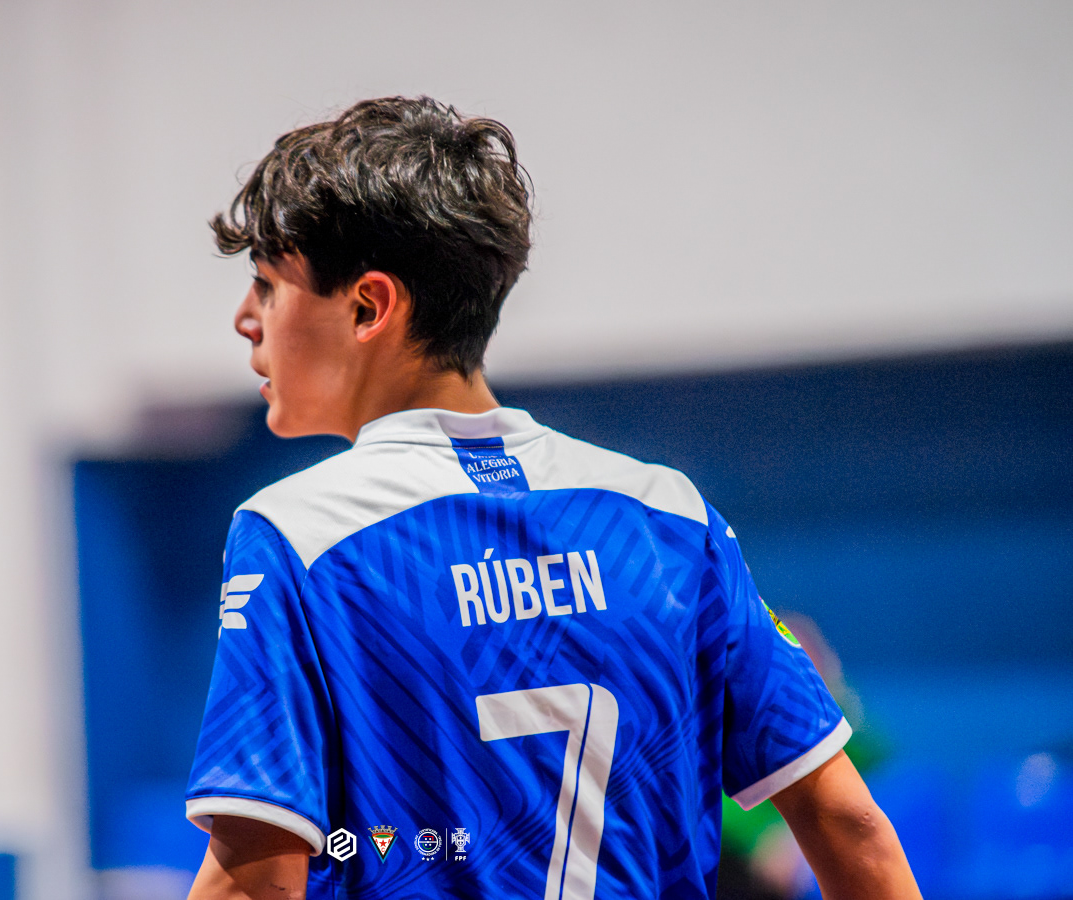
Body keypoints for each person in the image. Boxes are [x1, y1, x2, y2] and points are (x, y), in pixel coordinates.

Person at [183, 96, 921, 900]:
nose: (245, 319)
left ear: (369, 306)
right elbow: (851, 827)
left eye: (267, 286)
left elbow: (255, 881)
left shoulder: (296, 537)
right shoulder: (668, 515)